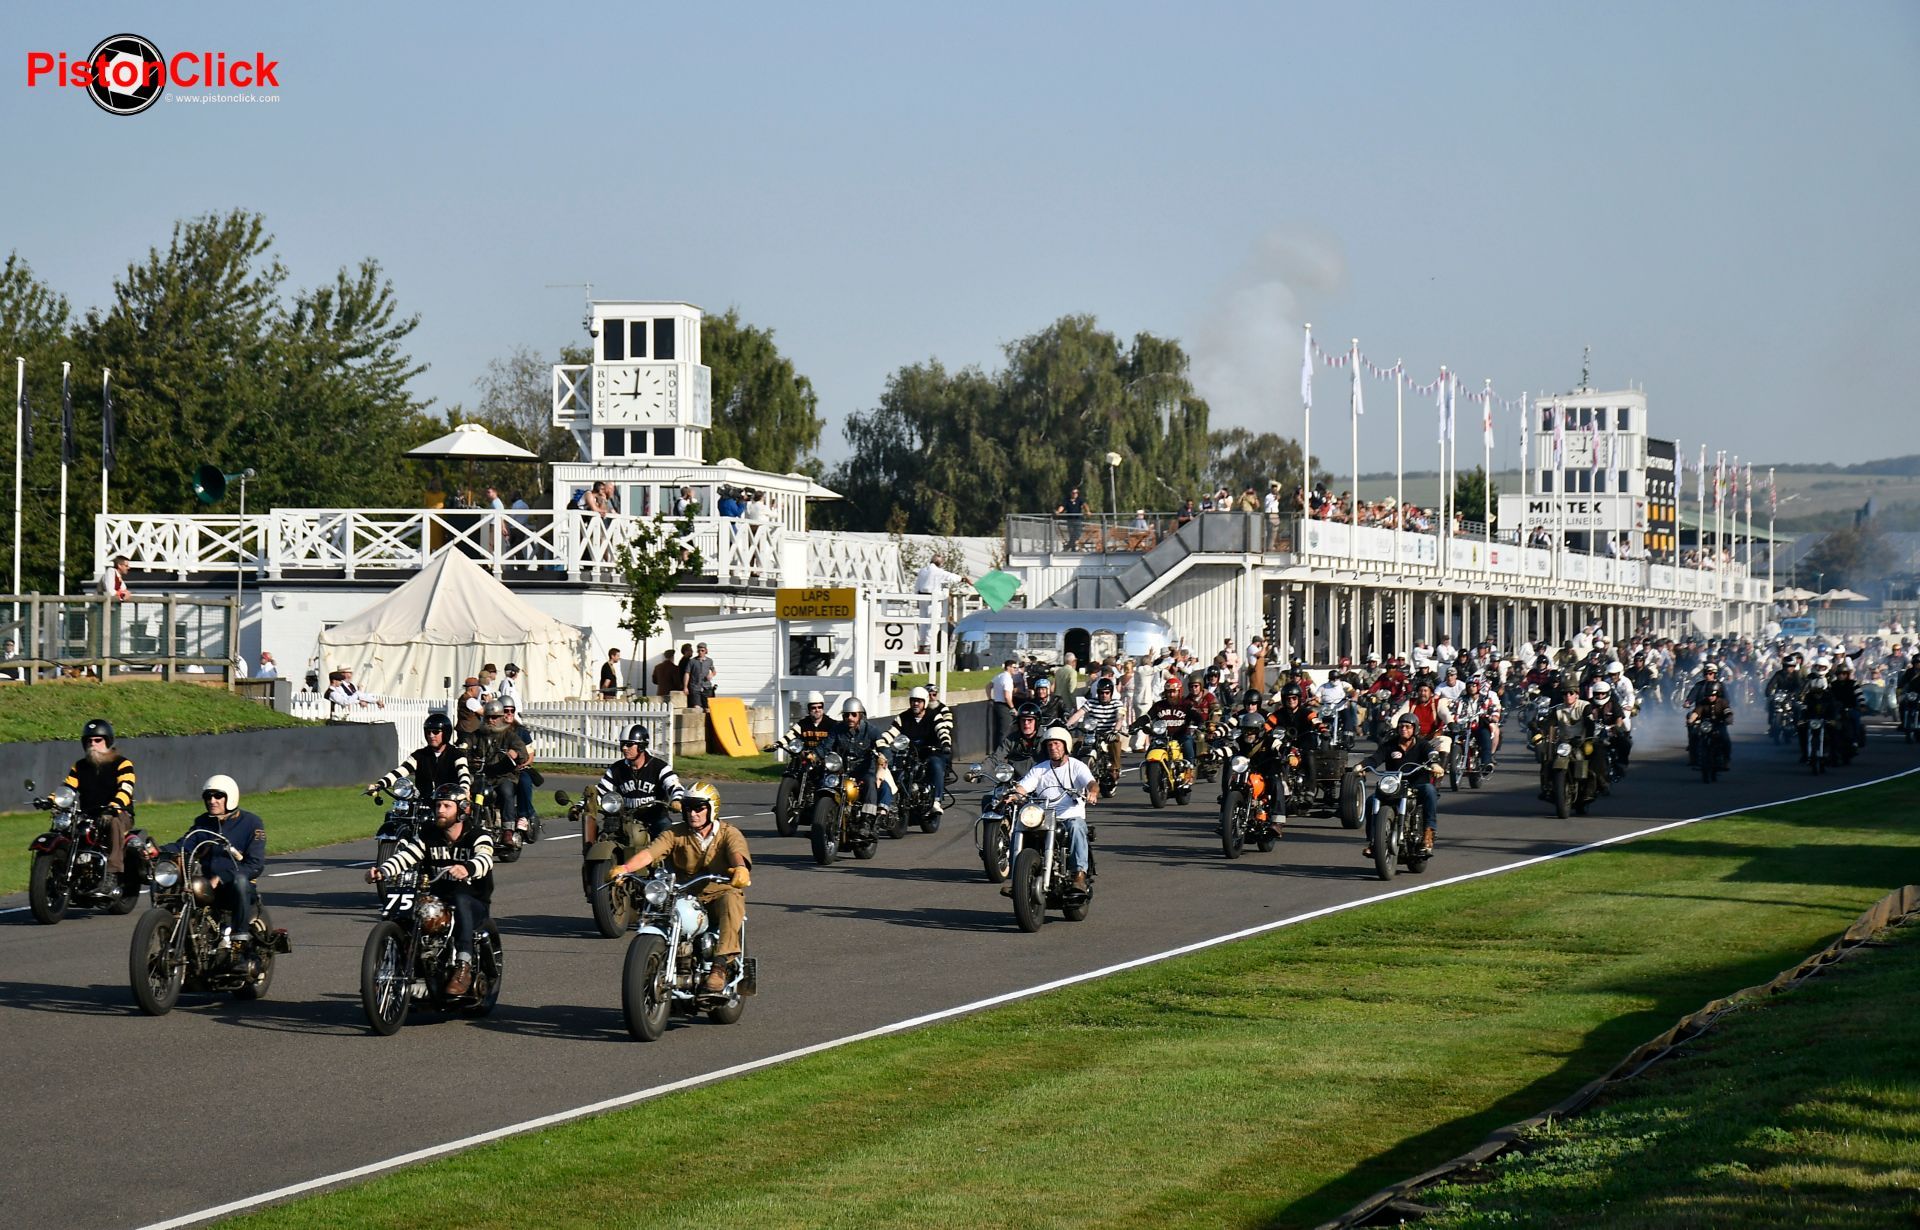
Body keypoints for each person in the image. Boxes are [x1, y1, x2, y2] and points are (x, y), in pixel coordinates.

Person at [609, 782, 751, 991]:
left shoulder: (728, 833)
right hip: (683, 893)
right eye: (688, 808)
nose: (693, 813)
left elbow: (736, 852)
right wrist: (625, 868)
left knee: (732, 899)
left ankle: (720, 965)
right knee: (656, 908)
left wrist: (740, 868)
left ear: (712, 808)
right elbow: (651, 852)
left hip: (718, 894)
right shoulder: (675, 833)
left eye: (699, 808)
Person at [368, 785, 494, 996]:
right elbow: (406, 856)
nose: (440, 810)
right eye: (438, 806)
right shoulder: (428, 835)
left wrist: (467, 868)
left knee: (461, 899)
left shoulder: (478, 835)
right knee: (408, 912)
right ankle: (394, 969)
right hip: (437, 899)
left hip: (474, 901)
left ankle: (463, 966)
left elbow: (485, 859)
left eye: (446, 806)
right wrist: (383, 870)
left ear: (462, 809)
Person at [162, 773, 266, 940]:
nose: (212, 801)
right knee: (176, 886)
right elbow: (184, 845)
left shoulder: (251, 823)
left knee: (240, 881)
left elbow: (255, 864)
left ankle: (240, 938)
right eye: (208, 796)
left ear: (230, 797)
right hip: (206, 886)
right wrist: (156, 850)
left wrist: (222, 877)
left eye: (218, 796)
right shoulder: (203, 822)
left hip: (236, 888)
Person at [1003, 726, 1099, 894]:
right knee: (1020, 827)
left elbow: (1091, 783)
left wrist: (1092, 792)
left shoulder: (1077, 766)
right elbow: (1024, 786)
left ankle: (1079, 875)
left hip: (1069, 816)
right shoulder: (1039, 768)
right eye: (1050, 745)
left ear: (1066, 745)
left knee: (1077, 827)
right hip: (1043, 817)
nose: (1053, 748)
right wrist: (1014, 795)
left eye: (1057, 744)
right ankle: (1017, 879)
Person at [64, 719, 138, 898]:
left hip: (118, 812)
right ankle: (65, 871)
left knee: (113, 822)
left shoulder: (122, 763)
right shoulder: (80, 766)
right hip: (87, 814)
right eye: (89, 741)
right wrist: (53, 800)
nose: (93, 744)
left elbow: (126, 788)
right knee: (64, 826)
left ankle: (112, 873)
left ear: (108, 741)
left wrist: (115, 806)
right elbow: (68, 788)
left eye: (98, 740)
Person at [1365, 713, 1440, 855]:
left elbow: (1431, 755)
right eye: (1401, 727)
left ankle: (1429, 831)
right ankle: (1374, 840)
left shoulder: (1423, 745)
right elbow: (1375, 759)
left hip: (1417, 785)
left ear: (1415, 729)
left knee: (1430, 790)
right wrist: (1361, 766)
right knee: (1371, 801)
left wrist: (1435, 764)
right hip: (1394, 786)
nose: (1403, 729)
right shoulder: (1389, 745)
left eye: (1407, 727)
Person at [595, 723, 683, 841]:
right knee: (604, 840)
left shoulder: (659, 767)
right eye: (622, 744)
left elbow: (675, 786)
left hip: (655, 818)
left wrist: (677, 799)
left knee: (669, 837)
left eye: (629, 744)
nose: (624, 748)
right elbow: (600, 791)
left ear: (641, 746)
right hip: (626, 819)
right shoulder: (616, 769)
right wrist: (581, 805)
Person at [879, 686, 954, 815]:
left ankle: (936, 801)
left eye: (919, 701)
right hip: (909, 753)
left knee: (936, 765)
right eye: (913, 700)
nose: (915, 704)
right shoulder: (902, 717)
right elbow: (891, 732)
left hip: (931, 752)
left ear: (925, 702)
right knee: (893, 766)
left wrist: (945, 743)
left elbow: (942, 731)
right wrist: (880, 742)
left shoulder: (934, 716)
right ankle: (891, 800)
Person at [368, 712, 473, 798]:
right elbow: (400, 771)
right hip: (422, 803)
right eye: (428, 732)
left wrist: (464, 789)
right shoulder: (419, 755)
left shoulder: (457, 754)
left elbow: (463, 773)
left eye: (436, 732)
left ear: (446, 733)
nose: (431, 735)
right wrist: (380, 784)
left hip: (448, 803)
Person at [826, 697, 892, 817]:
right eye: (846, 715)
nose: (850, 717)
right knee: (826, 781)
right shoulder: (837, 730)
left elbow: (882, 745)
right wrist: (814, 755)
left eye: (853, 714)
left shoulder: (870, 730)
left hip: (864, 772)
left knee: (870, 782)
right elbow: (826, 745)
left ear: (860, 715)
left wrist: (883, 755)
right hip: (843, 771)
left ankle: (867, 818)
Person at [1068, 676, 1126, 782]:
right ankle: (1073, 768)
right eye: (1101, 693)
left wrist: (1115, 730)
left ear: (1111, 693)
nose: (1104, 695)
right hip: (1092, 732)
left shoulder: (1117, 703)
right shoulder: (1091, 702)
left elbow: (1120, 718)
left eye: (1107, 693)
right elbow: (1078, 714)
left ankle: (1115, 768)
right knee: (1078, 744)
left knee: (1115, 742)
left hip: (1109, 733)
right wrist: (1067, 725)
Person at [913, 553, 967, 654]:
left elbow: (917, 585)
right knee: (934, 623)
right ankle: (928, 645)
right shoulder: (938, 572)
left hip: (921, 597)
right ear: (940, 563)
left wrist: (917, 598)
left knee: (923, 623)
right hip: (933, 599)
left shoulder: (923, 571)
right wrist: (963, 579)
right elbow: (950, 576)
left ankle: (921, 646)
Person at [994, 703, 1047, 768]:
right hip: (1016, 774)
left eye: (1030, 720)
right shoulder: (1011, 739)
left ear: (1037, 722)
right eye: (1023, 720)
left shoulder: (1046, 739)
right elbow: (996, 758)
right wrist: (983, 770)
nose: (1026, 723)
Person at [988, 658, 1020, 747]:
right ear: (1008, 667)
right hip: (1004, 706)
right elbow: (1007, 696)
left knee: (998, 729)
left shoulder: (999, 676)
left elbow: (988, 686)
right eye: (1014, 667)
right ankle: (1002, 751)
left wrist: (990, 698)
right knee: (1005, 730)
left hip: (996, 704)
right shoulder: (1008, 679)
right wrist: (1012, 708)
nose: (1015, 669)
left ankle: (996, 749)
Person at [684, 642, 717, 710]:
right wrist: (685, 687)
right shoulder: (692, 661)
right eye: (699, 650)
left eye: (702, 650)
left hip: (706, 687)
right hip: (695, 687)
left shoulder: (709, 661)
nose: (700, 652)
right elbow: (687, 674)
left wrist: (711, 675)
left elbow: (714, 671)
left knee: (708, 708)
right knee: (697, 708)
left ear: (706, 651)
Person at [1056, 486, 1088, 551]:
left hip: (1078, 519)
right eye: (1073, 493)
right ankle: (1073, 548)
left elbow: (1085, 505)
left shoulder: (1079, 499)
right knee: (1071, 534)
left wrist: (1087, 511)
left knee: (1077, 533)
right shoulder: (1067, 500)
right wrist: (1058, 511)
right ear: (1071, 493)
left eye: (1076, 493)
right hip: (1070, 520)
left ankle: (1068, 546)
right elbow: (1062, 506)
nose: (1075, 494)